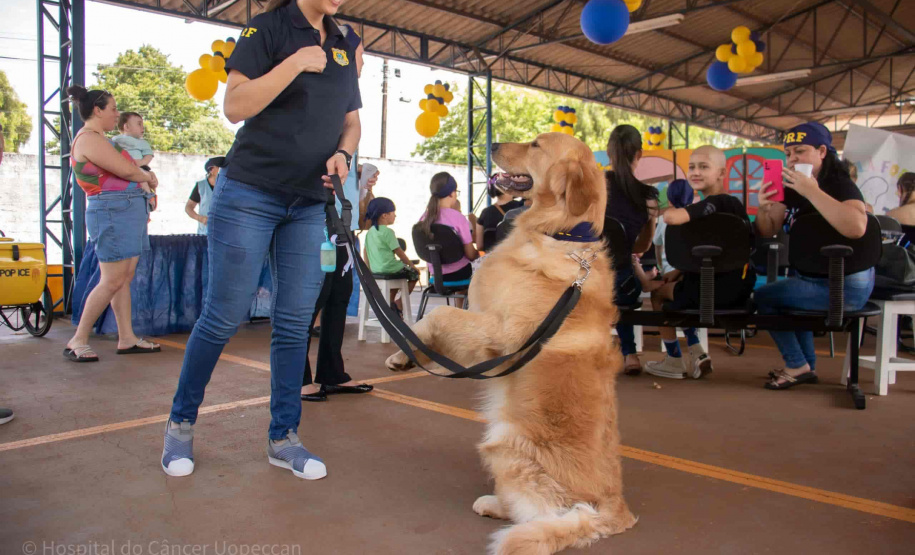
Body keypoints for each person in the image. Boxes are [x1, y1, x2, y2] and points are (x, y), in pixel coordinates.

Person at [162, 0, 362, 480]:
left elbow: (351, 120)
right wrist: (295, 62)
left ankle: (283, 438)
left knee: (294, 323)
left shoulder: (346, 42)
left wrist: (342, 153)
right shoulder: (267, 29)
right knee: (223, 315)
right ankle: (180, 426)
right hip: (250, 191)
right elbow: (234, 107)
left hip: (310, 201)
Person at [755, 122, 874, 390]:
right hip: (812, 277)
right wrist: (764, 207)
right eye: (788, 153)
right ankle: (804, 365)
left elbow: (856, 227)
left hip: (847, 285)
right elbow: (768, 231)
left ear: (822, 151)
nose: (792, 158)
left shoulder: (839, 184)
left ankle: (796, 363)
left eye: (800, 151)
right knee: (788, 286)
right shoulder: (791, 186)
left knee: (764, 296)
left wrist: (812, 191)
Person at [300, 24, 376, 403]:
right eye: (359, 55)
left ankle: (332, 372)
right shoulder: (318, 91)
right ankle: (298, 377)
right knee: (309, 297)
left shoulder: (348, 104)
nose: (360, 63)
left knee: (338, 292)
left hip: (338, 218)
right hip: (310, 211)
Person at [64, 86, 160, 363]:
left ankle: (126, 337)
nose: (116, 114)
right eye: (113, 109)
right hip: (112, 208)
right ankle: (78, 338)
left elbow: (131, 167)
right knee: (112, 278)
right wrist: (146, 176)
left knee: (124, 277)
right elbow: (126, 169)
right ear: (97, 110)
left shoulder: (102, 138)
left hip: (126, 207)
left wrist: (144, 178)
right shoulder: (89, 139)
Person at [644, 146, 755, 380]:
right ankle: (697, 353)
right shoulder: (735, 205)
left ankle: (674, 359)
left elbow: (671, 218)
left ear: (721, 174)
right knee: (677, 285)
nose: (695, 172)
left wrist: (667, 211)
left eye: (704, 167)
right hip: (738, 289)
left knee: (658, 295)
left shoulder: (713, 204)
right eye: (692, 167)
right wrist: (680, 270)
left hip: (711, 291)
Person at [605, 125, 659, 375]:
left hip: (581, 284)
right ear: (639, 154)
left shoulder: (593, 189)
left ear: (608, 152)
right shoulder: (649, 196)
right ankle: (630, 355)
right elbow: (643, 246)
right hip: (623, 287)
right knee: (621, 268)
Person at [417, 172, 478, 308]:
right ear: (452, 193)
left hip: (435, 277)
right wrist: (479, 254)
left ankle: (457, 313)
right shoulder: (458, 218)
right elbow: (470, 255)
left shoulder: (424, 218)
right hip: (459, 275)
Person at [364, 197, 420, 313]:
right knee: (414, 274)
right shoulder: (388, 232)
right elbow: (400, 253)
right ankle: (398, 303)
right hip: (390, 268)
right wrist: (412, 265)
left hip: (376, 269)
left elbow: (366, 252)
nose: (395, 215)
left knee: (396, 277)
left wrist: (368, 269)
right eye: (393, 212)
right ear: (384, 215)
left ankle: (390, 302)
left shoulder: (370, 232)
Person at [474, 181, 523, 251]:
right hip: (516, 256)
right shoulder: (522, 208)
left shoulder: (485, 213)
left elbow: (479, 246)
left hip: (493, 258)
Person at [185, 157, 225, 235]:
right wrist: (200, 218)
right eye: (221, 168)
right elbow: (188, 208)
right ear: (212, 170)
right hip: (205, 233)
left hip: (224, 234)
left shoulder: (227, 186)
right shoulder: (201, 186)